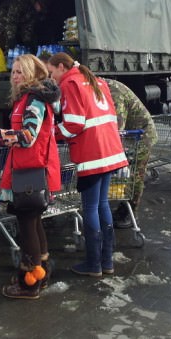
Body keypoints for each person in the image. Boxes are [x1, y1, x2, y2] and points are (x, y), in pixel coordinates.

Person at [0, 54, 61, 300]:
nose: (14, 77)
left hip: (31, 171)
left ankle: (30, 282)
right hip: (28, 169)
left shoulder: (34, 100)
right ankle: (41, 271)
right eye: (13, 72)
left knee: (27, 226)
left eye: (19, 72)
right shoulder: (28, 98)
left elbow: (27, 137)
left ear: (31, 75)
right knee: (33, 223)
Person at [47, 52, 128, 277]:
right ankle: (107, 261)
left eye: (51, 72)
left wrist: (49, 133)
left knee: (91, 207)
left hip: (92, 153)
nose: (51, 78)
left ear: (62, 67)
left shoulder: (71, 83)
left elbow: (74, 123)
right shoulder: (95, 81)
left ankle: (93, 264)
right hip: (110, 150)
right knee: (103, 205)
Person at [104, 79, 157, 229]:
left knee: (135, 176)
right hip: (132, 136)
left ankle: (131, 212)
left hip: (142, 136)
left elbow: (117, 125)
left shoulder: (114, 92)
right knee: (132, 176)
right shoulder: (105, 88)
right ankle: (124, 208)